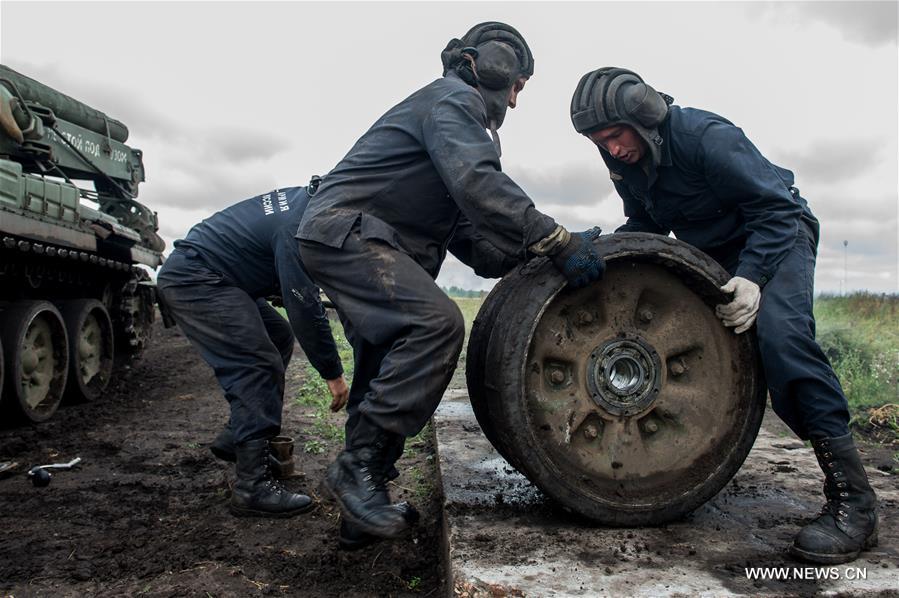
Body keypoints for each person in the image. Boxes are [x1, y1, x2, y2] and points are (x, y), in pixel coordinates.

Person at [297, 22, 605, 544]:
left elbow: (481, 248)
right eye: (517, 86)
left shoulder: (449, 135)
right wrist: (554, 239)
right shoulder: (450, 100)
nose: (514, 99)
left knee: (381, 361)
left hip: (355, 238)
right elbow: (480, 185)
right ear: (489, 66)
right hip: (347, 231)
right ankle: (357, 470)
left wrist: (540, 255)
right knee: (435, 325)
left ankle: (361, 505)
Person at [569, 67, 878, 564]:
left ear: (642, 117)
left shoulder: (706, 137)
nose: (612, 149)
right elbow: (648, 223)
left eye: (615, 135)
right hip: (714, 254)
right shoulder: (625, 164)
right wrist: (607, 249)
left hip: (776, 239)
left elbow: (776, 210)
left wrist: (754, 276)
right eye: (599, 142)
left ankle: (855, 505)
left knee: (783, 343)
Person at [156, 181, 350, 518]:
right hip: (196, 277)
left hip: (218, 274)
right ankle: (252, 486)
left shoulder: (302, 200)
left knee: (278, 335)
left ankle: (239, 437)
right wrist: (332, 373)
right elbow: (304, 306)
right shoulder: (300, 227)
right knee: (256, 363)